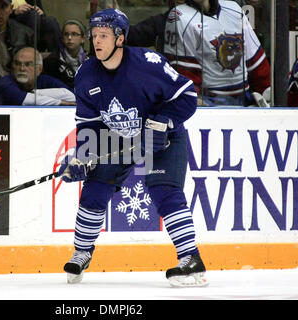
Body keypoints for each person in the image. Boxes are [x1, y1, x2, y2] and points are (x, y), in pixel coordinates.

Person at [57, 8, 207, 287]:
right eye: (94, 36)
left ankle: (191, 258)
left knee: (164, 190)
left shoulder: (147, 64)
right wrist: (83, 155)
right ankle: (81, 252)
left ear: (121, 38)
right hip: (118, 139)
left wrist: (163, 122)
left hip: (162, 138)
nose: (97, 42)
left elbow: (187, 95)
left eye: (104, 35)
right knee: (95, 186)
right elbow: (89, 124)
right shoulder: (86, 75)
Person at [163, 0, 271, 106]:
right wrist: (195, 101)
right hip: (209, 102)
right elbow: (185, 75)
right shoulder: (180, 16)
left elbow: (257, 63)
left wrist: (268, 94)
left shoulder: (234, 9)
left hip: (245, 98)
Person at [0, 47, 76, 105]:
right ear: (13, 67)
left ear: (39, 69)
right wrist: (61, 103)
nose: (22, 68)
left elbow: (73, 96)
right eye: (18, 64)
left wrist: (36, 92)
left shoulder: (44, 80)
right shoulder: (4, 83)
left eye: (28, 64)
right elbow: (26, 100)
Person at [42, 19, 88, 88]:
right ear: (62, 39)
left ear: (83, 39)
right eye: (66, 34)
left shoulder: (91, 61)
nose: (69, 38)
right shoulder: (52, 61)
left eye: (74, 34)